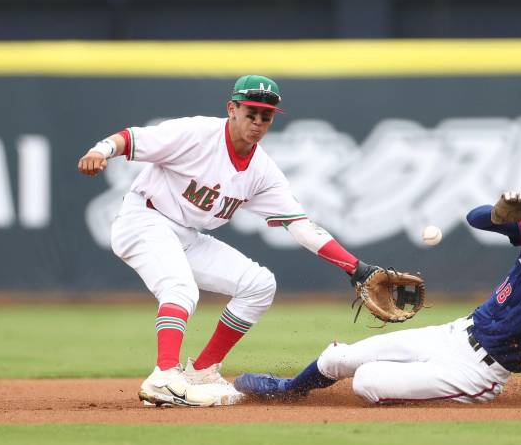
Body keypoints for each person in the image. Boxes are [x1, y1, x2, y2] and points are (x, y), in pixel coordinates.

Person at [77, 75, 380, 407]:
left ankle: (201, 371)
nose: (258, 122)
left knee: (258, 284)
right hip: (143, 219)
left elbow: (302, 227)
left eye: (266, 116)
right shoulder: (197, 134)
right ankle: (164, 377)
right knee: (179, 289)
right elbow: (133, 138)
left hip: (186, 235)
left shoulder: (262, 172)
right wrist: (101, 150)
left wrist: (356, 268)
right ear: (232, 109)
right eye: (251, 113)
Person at [234, 185, 521, 408]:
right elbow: (475, 219)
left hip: (477, 375)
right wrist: (497, 215)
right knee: (338, 359)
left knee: (366, 382)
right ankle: (290, 389)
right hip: (453, 334)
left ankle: (413, 389)